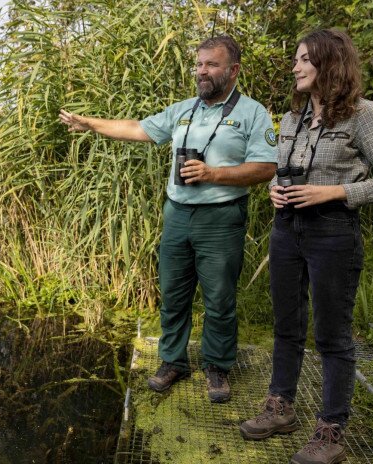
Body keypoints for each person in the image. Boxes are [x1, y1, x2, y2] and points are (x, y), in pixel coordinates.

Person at [60, 35, 277, 403]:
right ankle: (173, 361)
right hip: (177, 214)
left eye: (211, 64)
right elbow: (138, 129)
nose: (202, 71)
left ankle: (218, 366)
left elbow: (267, 167)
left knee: (220, 298)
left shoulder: (252, 113)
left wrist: (213, 174)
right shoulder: (184, 110)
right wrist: (90, 123)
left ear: (233, 70)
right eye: (199, 64)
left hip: (222, 217)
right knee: (173, 295)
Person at [238, 29, 373, 463]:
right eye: (295, 60)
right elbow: (282, 173)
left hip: (333, 232)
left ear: (328, 64)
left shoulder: (363, 115)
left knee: (332, 335)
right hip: (286, 230)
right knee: (286, 326)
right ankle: (280, 409)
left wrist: (332, 193)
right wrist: (274, 191)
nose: (294, 67)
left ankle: (331, 433)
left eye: (303, 59)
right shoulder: (292, 118)